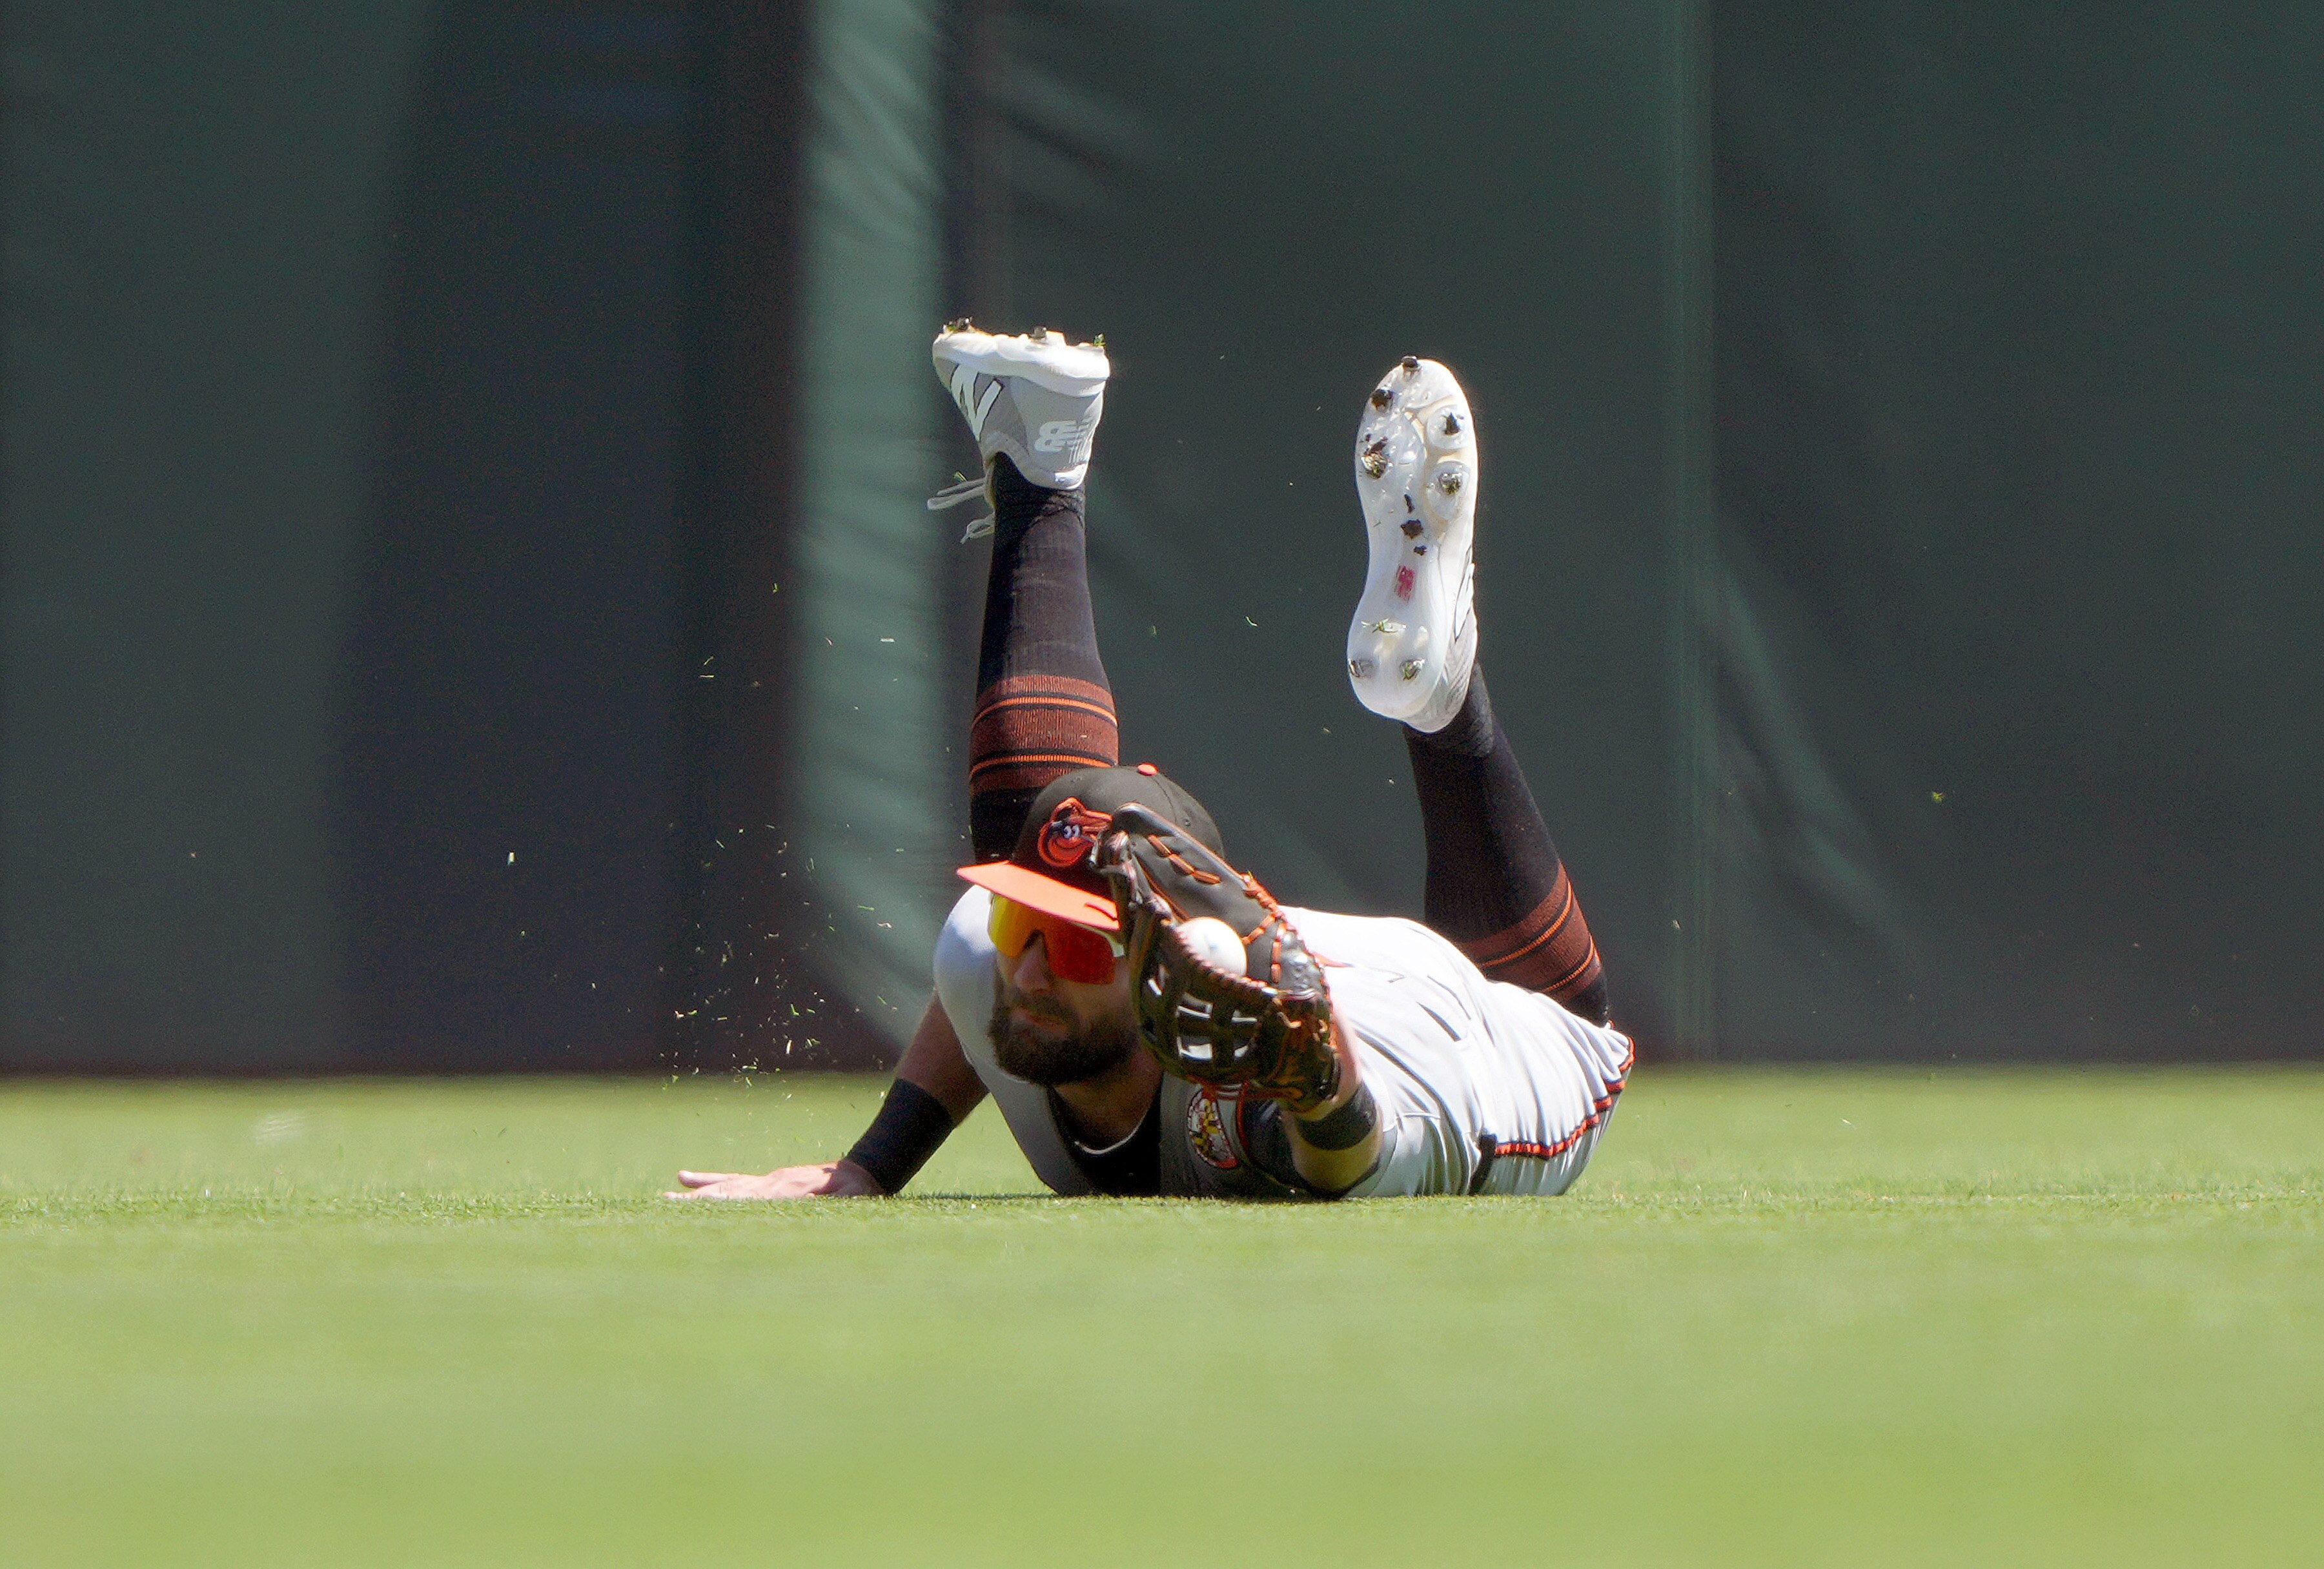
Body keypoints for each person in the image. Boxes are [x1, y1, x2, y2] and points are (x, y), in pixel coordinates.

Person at [668, 325, 1632, 1200]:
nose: (1031, 964)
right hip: (1312, 957)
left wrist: (1320, 1079)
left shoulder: (1242, 1072)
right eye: (1021, 921)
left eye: (1081, 942)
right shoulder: (996, 962)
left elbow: (1345, 1156)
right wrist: (865, 1170)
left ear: (1156, 968)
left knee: (1570, 1018)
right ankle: (1046, 473)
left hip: (1486, 1049)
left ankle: (1444, 697)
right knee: (1038, 846)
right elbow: (983, 966)